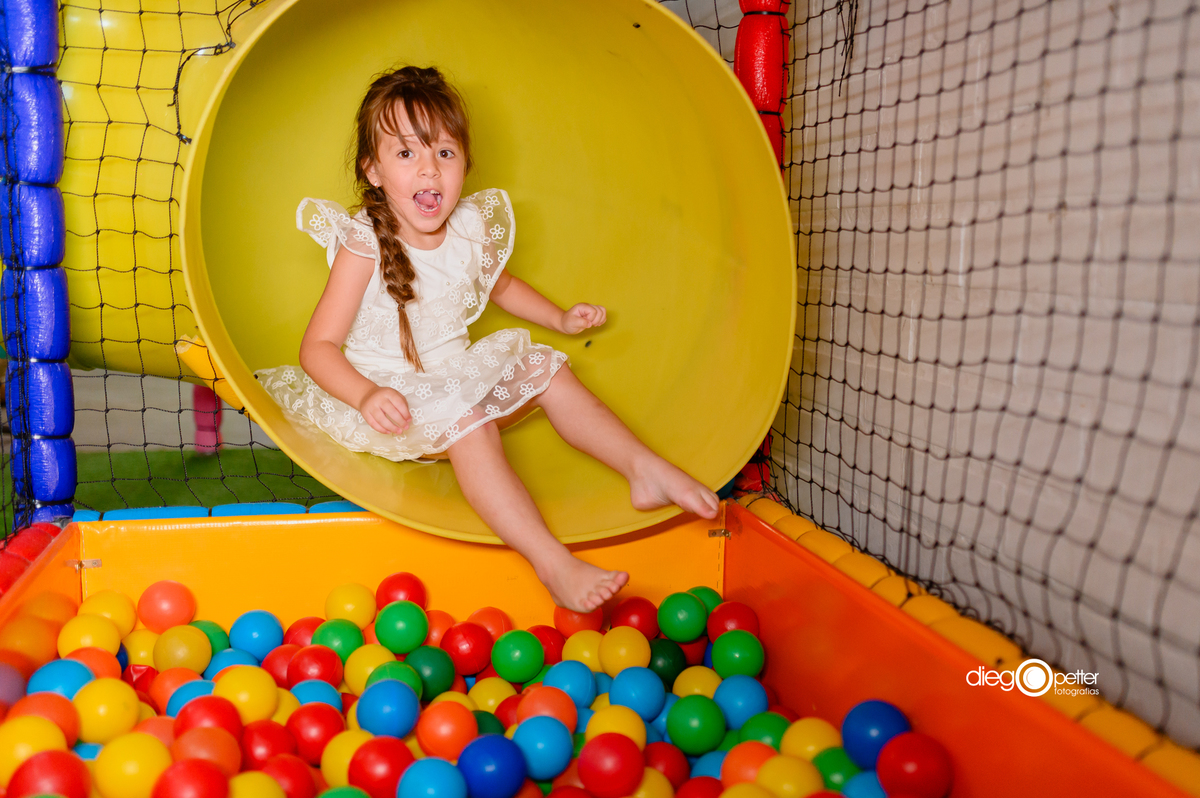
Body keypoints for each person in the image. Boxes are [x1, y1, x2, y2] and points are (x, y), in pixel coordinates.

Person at [256, 66, 718, 612]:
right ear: (373, 170)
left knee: (550, 368)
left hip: (453, 375)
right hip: (385, 393)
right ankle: (552, 562)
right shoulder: (364, 243)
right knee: (470, 425)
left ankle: (642, 468)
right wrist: (365, 395)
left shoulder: (471, 228)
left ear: (465, 164)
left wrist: (562, 319)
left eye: (444, 154)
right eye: (406, 154)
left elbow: (504, 287)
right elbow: (318, 348)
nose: (429, 169)